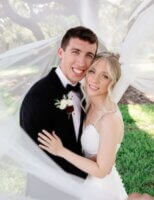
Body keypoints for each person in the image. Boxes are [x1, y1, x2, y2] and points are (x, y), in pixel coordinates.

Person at [38, 52, 154, 200]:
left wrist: (60, 151)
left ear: (113, 82)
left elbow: (102, 171)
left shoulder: (108, 119)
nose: (95, 79)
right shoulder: (89, 103)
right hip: (82, 178)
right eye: (92, 71)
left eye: (105, 76)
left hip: (98, 189)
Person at [19, 26, 98, 199]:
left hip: (79, 189)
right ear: (61, 52)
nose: (82, 62)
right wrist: (90, 169)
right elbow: (40, 158)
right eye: (75, 52)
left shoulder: (84, 91)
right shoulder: (38, 97)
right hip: (51, 192)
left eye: (89, 55)